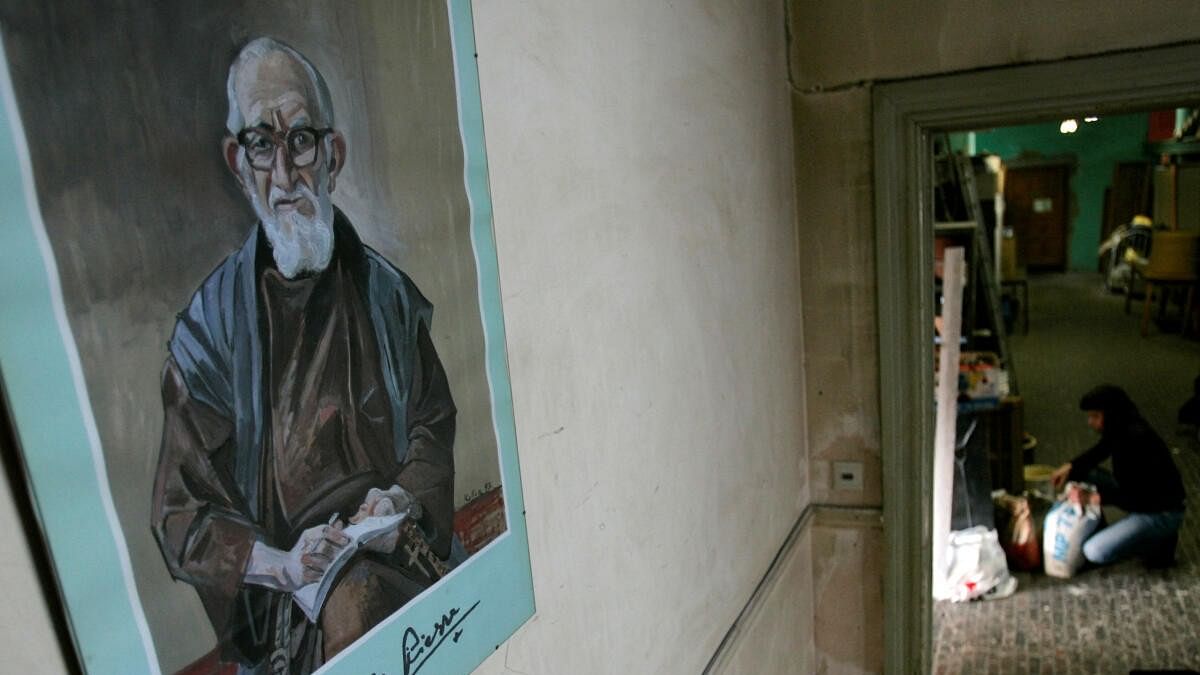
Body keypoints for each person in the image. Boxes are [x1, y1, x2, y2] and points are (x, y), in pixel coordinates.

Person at [151, 38, 456, 674]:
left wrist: (400, 500)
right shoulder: (207, 335)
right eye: (263, 145)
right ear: (238, 164)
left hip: (397, 555)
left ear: (333, 156)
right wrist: (280, 566)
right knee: (353, 608)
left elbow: (433, 423)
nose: (285, 176)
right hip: (288, 607)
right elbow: (183, 517)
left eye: (301, 141)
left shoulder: (388, 296)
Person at [1050, 385, 1186, 568]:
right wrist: (1069, 467)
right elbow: (1100, 450)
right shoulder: (1121, 428)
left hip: (1159, 510)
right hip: (1137, 494)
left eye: (1095, 416)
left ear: (1112, 415)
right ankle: (1116, 530)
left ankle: (1156, 541)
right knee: (1081, 471)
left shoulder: (1137, 440)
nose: (1090, 422)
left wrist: (1093, 498)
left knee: (1094, 551)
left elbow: (1140, 497)